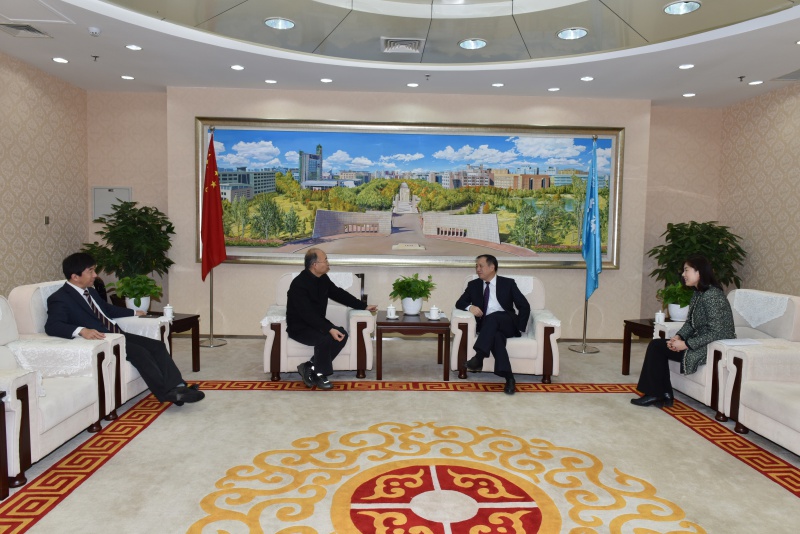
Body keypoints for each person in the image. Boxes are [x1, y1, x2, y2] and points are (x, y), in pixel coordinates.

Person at [45, 253, 204, 405]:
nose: (95, 275)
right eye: (91, 271)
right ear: (75, 276)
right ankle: (168, 393)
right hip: (104, 340)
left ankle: (178, 386)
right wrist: (81, 330)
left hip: (117, 334)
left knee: (157, 346)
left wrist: (134, 312)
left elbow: (107, 309)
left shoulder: (90, 292)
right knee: (141, 353)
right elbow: (52, 326)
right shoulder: (59, 298)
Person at [632, 255, 735, 408]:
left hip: (710, 348)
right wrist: (678, 337)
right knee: (658, 345)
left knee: (656, 347)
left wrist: (686, 344)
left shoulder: (713, 295)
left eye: (686, 270)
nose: (683, 274)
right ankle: (663, 394)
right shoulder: (698, 293)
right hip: (699, 342)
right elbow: (691, 323)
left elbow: (718, 332)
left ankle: (658, 394)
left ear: (699, 272)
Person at [287, 248, 377, 390]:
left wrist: (363, 306)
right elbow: (307, 314)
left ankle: (309, 366)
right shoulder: (299, 284)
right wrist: (328, 328)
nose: (328, 263)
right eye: (325, 260)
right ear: (315, 265)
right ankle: (320, 374)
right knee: (324, 338)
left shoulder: (323, 279)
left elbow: (339, 294)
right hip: (300, 327)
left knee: (342, 334)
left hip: (317, 323)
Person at [455, 254, 531, 395]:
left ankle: (479, 357)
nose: (478, 269)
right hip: (487, 327)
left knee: (494, 317)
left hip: (507, 322)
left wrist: (520, 328)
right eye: (476, 266)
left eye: (481, 266)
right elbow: (460, 303)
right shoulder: (473, 285)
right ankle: (509, 378)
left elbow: (524, 305)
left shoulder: (508, 283)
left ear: (492, 267)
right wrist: (470, 307)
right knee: (496, 337)